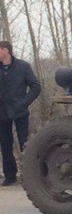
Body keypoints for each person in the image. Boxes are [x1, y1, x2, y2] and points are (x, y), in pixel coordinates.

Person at [0, 41, 42, 186]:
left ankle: (30, 175)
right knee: (5, 144)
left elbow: (36, 87)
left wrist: (24, 103)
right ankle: (10, 176)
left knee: (26, 143)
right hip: (2, 112)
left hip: (20, 111)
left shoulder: (23, 67)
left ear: (6, 50)